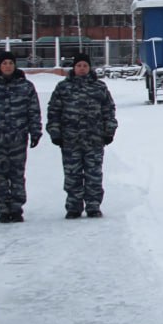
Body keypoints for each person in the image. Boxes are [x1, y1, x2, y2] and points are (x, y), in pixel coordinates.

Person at [0, 51, 43, 223]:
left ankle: (17, 208)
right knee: (0, 175)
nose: (7, 66)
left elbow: (33, 111)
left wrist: (35, 132)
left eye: (10, 63)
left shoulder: (26, 86)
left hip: (18, 138)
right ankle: (3, 209)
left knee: (17, 175)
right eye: (4, 63)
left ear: (15, 65)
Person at [46, 52, 117, 219]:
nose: (82, 68)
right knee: (72, 175)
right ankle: (73, 206)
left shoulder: (99, 87)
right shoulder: (63, 87)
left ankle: (93, 206)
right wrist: (55, 133)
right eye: (79, 65)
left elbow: (108, 110)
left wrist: (109, 131)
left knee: (94, 175)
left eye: (85, 65)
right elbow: (54, 111)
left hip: (94, 139)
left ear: (90, 68)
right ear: (74, 67)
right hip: (70, 140)